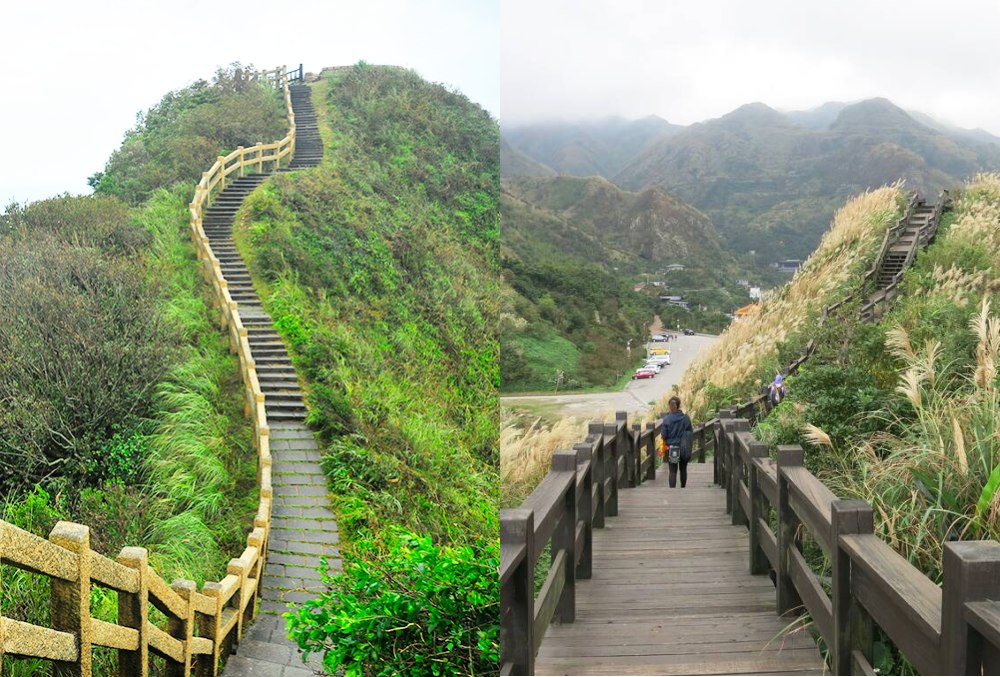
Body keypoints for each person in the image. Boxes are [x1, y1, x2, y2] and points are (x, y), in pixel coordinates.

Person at [661, 396, 693, 488]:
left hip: (672, 448)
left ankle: (672, 491)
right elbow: (690, 432)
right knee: (683, 469)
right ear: (678, 406)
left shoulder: (667, 419)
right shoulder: (685, 418)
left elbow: (664, 435)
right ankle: (683, 488)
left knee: (673, 471)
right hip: (684, 447)